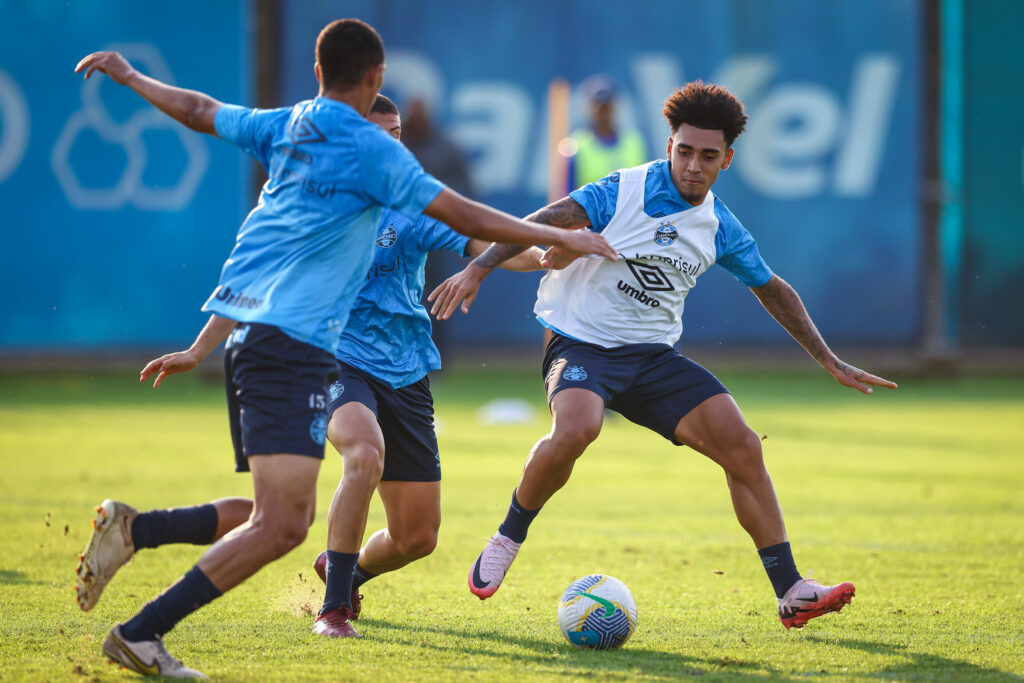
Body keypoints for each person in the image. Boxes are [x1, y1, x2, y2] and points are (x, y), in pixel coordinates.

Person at [73, 19, 615, 678]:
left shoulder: (288, 127)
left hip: (284, 344)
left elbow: (201, 111)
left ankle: (138, 533)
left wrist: (130, 78)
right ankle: (148, 630)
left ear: (316, 68)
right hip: (306, 350)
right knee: (312, 496)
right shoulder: (374, 152)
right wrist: (575, 238)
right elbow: (470, 217)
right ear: (375, 78)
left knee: (293, 518)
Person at [428, 80, 898, 631]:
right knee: (579, 426)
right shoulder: (620, 190)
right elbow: (543, 219)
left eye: (707, 155)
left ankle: (791, 589)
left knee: (743, 446)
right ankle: (509, 534)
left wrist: (829, 360)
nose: (693, 165)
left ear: (727, 159)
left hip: (651, 357)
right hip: (580, 342)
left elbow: (773, 288)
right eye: (683, 151)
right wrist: (478, 268)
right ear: (669, 144)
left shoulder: (720, 226)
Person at [309, 93, 546, 628]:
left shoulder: (414, 203)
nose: (392, 145)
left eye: (397, 135)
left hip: (407, 369)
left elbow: (486, 239)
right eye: (379, 135)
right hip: (335, 358)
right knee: (363, 454)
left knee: (417, 538)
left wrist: (545, 254)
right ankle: (335, 608)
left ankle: (342, 570)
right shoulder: (315, 202)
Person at [565, 74, 647, 193]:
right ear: (588, 107)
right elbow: (566, 197)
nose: (602, 111)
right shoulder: (575, 147)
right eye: (597, 105)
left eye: (606, 105)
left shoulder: (635, 142)